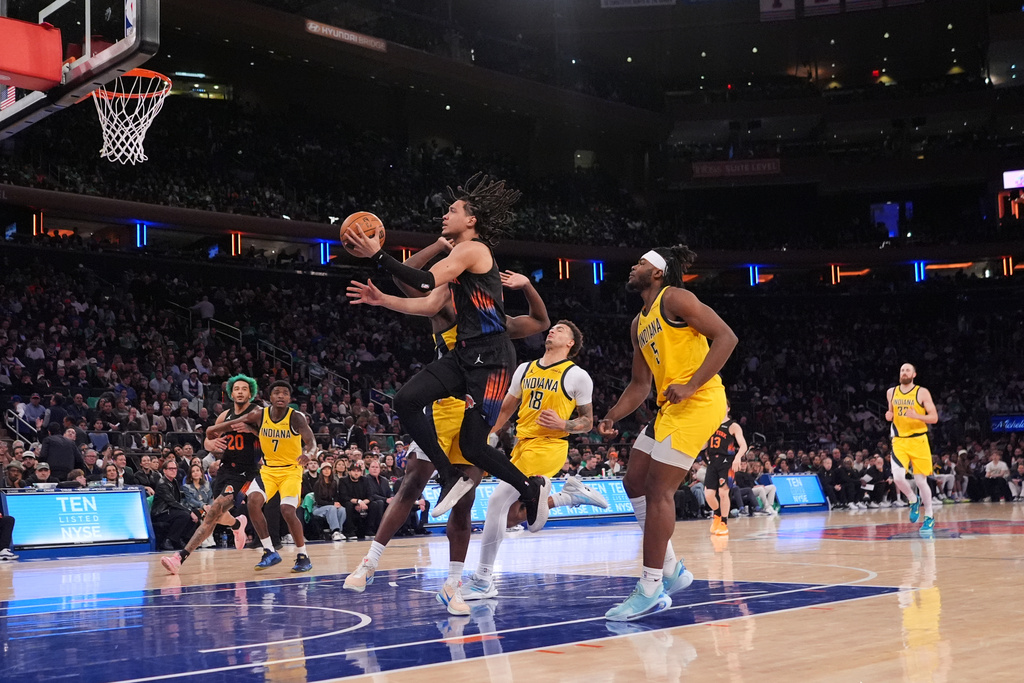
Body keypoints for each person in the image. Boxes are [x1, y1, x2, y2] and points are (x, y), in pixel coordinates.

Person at [344, 239, 551, 605]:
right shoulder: (444, 300)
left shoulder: (493, 320)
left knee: (464, 502)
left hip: (475, 407)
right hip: (441, 405)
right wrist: (437, 245)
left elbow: (539, 322)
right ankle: (369, 561)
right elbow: (411, 280)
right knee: (412, 483)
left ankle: (454, 583)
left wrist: (527, 286)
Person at [344, 174, 548, 524]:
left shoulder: (474, 249)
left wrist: (379, 255)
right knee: (406, 400)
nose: (444, 215)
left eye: (452, 210)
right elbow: (425, 303)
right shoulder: (460, 264)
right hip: (465, 354)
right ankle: (450, 474)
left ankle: (530, 488)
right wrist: (382, 300)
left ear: (471, 220)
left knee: (473, 447)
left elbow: (422, 280)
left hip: (493, 359)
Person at [598, 245, 737, 621]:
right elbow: (640, 383)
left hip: (700, 400)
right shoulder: (638, 323)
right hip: (668, 407)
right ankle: (672, 570)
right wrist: (612, 415)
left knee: (659, 488)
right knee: (634, 481)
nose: (633, 266)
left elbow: (727, 337)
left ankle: (650, 586)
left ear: (658, 273)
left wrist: (691, 385)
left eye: (641, 263)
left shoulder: (675, 297)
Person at [458, 320, 609, 610]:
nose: (553, 330)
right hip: (522, 445)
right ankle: (567, 496)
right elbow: (507, 407)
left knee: (497, 504)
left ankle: (483, 579)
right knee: (513, 516)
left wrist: (564, 423)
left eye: (561, 330)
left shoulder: (577, 376)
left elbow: (588, 422)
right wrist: (490, 435)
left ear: (571, 344)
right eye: (552, 328)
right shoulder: (525, 368)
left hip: (549, 446)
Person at [207, 380, 317, 572]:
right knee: (253, 502)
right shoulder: (259, 414)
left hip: (291, 470)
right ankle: (269, 551)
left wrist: (308, 454)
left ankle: (303, 555)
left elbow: (312, 443)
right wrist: (212, 431)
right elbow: (232, 423)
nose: (281, 396)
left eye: (285, 393)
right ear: (270, 397)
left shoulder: (296, 417)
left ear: (290, 398)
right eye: (277, 393)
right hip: (268, 470)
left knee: (287, 511)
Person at [161, 375, 261, 575]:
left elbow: (268, 437)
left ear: (251, 393)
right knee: (216, 512)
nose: (240, 392)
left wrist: (252, 430)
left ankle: (179, 558)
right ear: (231, 393)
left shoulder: (257, 414)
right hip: (225, 469)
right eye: (237, 389)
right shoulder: (225, 416)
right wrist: (211, 445)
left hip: (246, 472)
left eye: (244, 389)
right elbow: (208, 439)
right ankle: (236, 523)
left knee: (212, 511)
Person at [886, 364, 939, 535]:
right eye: (902, 370)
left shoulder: (922, 392)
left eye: (907, 370)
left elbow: (934, 418)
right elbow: (891, 413)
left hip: (918, 440)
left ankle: (929, 516)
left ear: (914, 374)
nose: (904, 372)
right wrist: (889, 415)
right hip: (899, 440)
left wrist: (917, 416)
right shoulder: (891, 392)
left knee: (921, 481)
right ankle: (912, 499)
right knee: (898, 478)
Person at [703, 405, 748, 535]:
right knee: (709, 494)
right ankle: (717, 514)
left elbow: (743, 445)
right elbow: (705, 444)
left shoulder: (733, 425)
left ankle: (724, 522)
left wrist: (738, 457)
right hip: (712, 461)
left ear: (728, 408)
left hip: (727, 462)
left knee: (723, 493)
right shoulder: (711, 425)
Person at [151, 459, 196, 550]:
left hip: (171, 509)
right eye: (171, 468)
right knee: (184, 515)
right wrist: (189, 511)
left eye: (175, 468)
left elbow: (178, 498)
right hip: (161, 512)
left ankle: (181, 538)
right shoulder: (162, 483)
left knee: (196, 513)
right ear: (164, 470)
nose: (174, 470)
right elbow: (171, 501)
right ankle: (169, 539)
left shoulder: (173, 481)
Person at [309, 462, 346, 541]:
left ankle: (339, 531)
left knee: (342, 509)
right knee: (332, 508)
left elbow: (335, 496)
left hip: (330, 506)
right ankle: (335, 531)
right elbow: (318, 501)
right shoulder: (317, 484)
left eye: (328, 469)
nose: (327, 471)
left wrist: (336, 503)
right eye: (324, 469)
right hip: (318, 508)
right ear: (321, 471)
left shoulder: (334, 483)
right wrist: (333, 504)